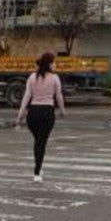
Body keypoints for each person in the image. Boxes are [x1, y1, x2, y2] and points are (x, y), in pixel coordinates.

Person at [15, 52, 65, 183]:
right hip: (47, 112)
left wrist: (20, 116)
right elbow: (58, 96)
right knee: (41, 143)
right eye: (54, 62)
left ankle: (38, 166)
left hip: (32, 114)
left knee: (38, 142)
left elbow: (26, 97)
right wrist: (62, 110)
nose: (55, 64)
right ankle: (37, 172)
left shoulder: (32, 77)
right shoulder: (55, 78)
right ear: (49, 64)